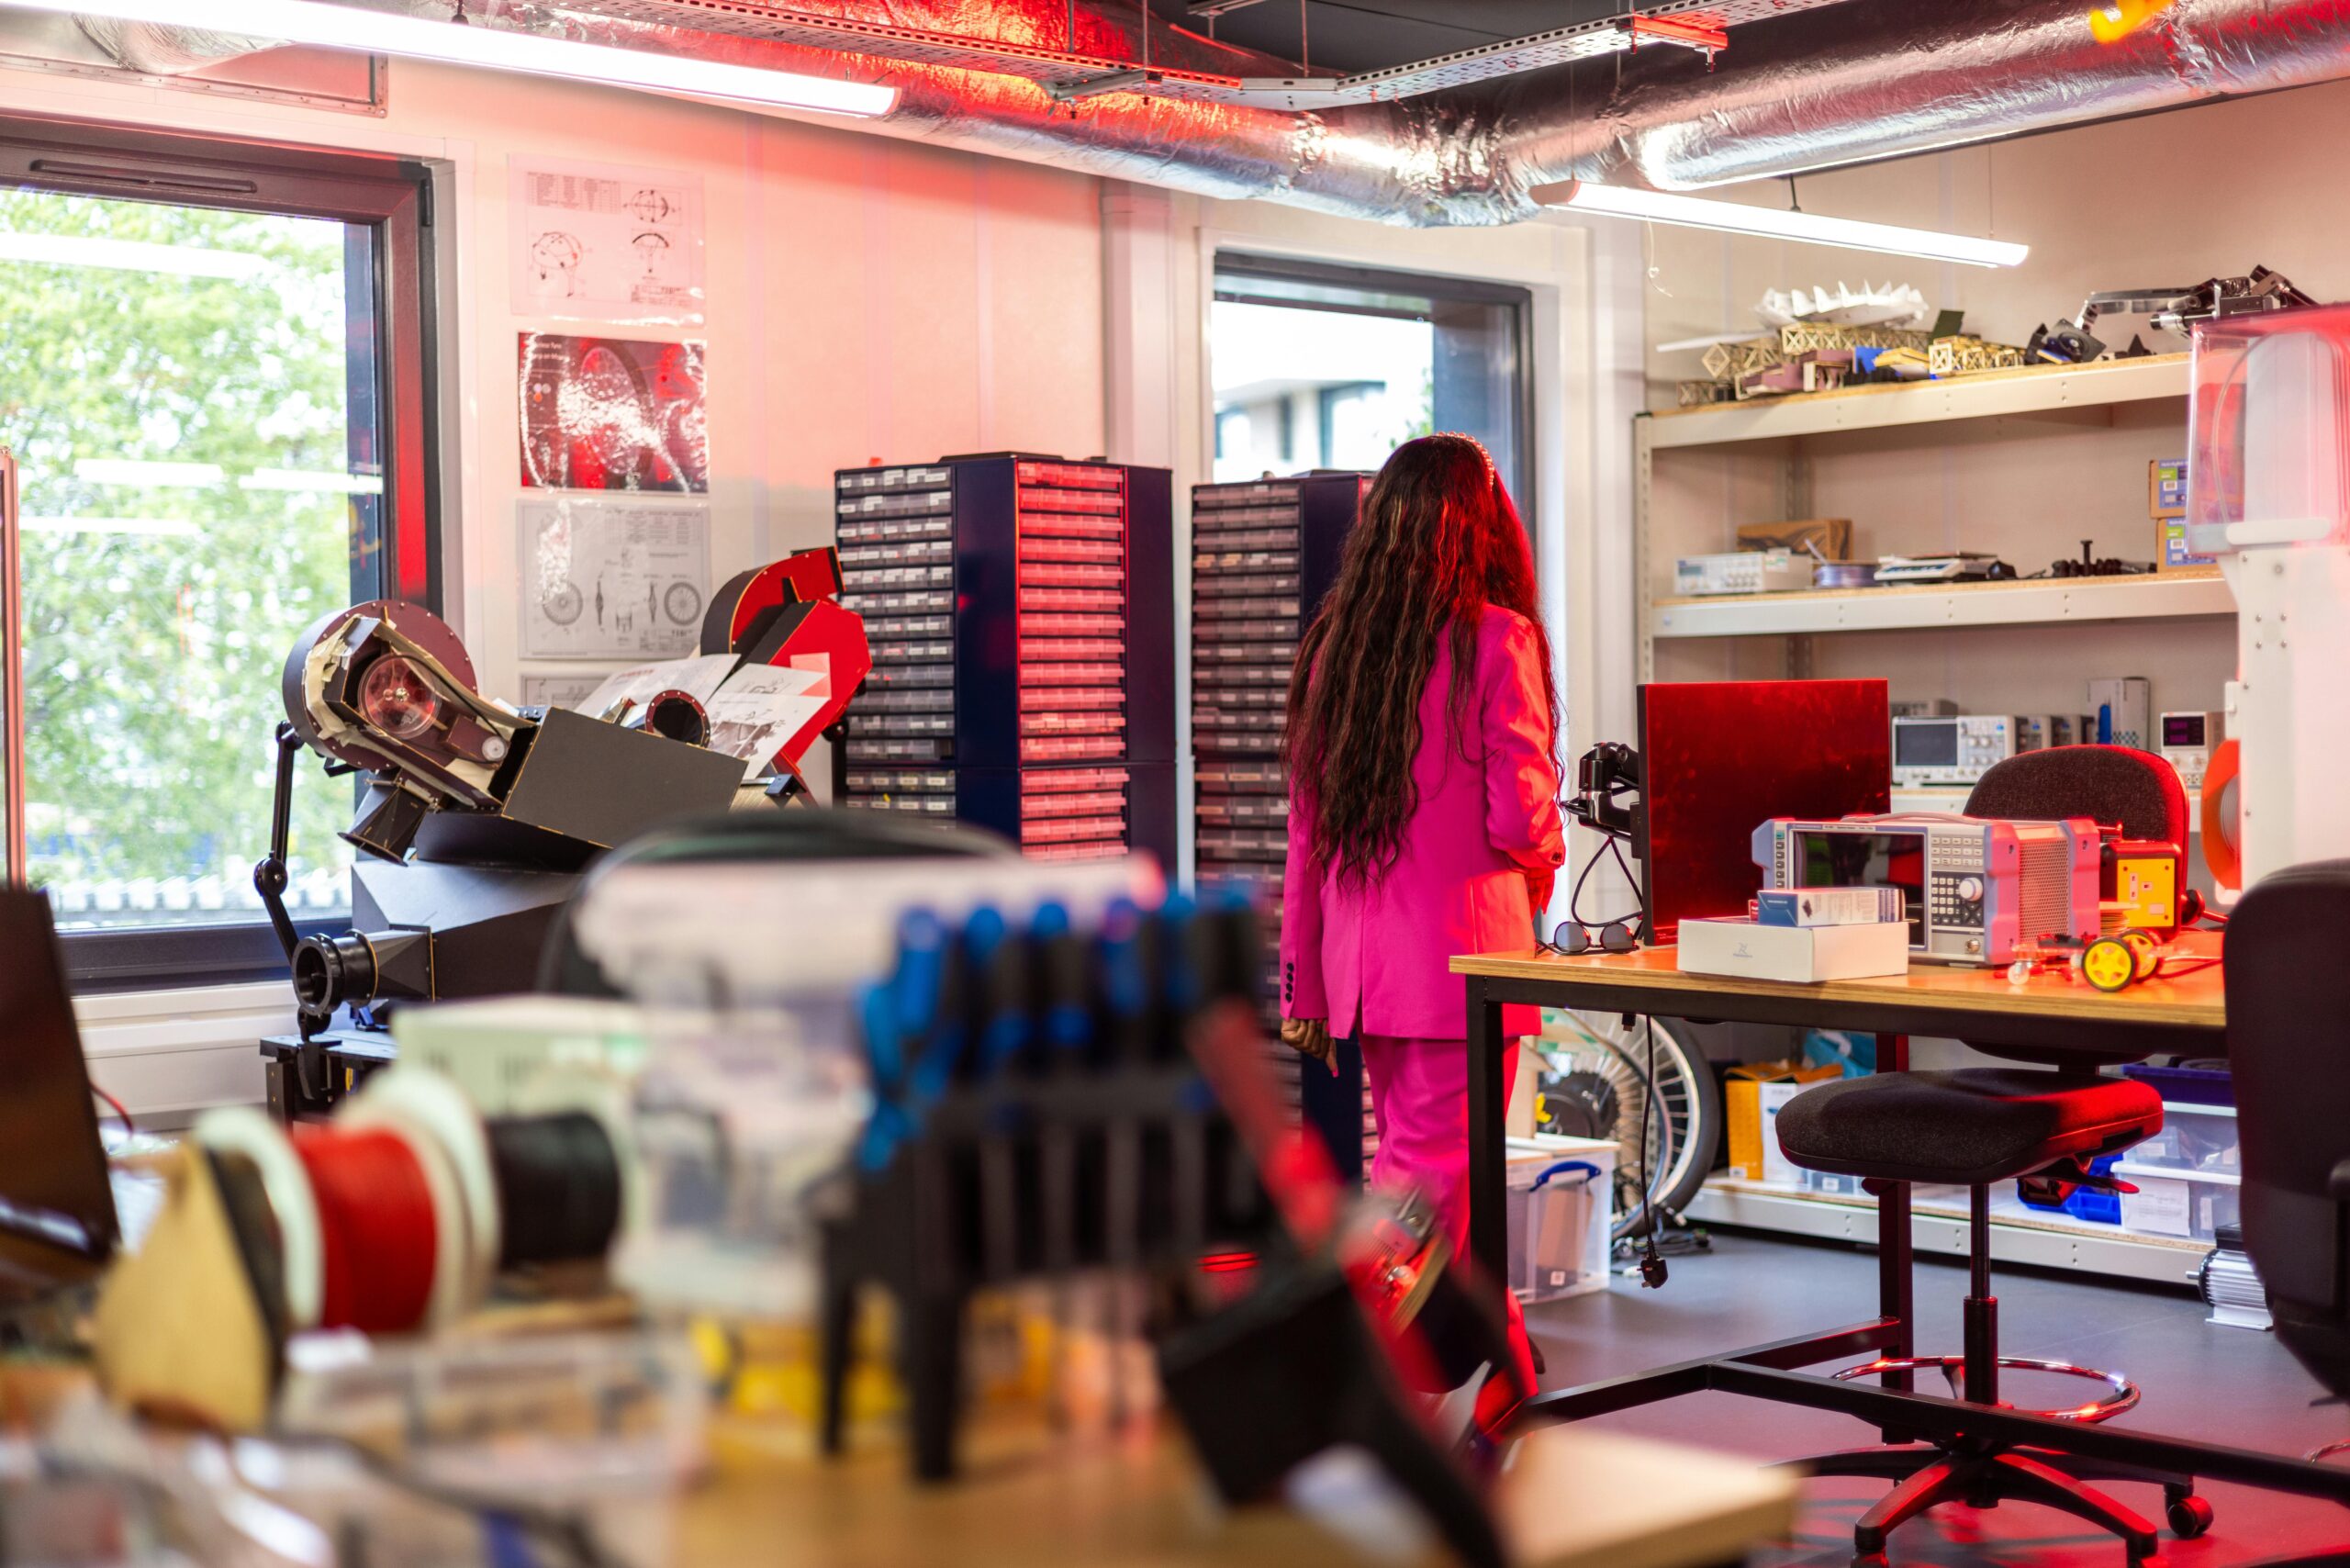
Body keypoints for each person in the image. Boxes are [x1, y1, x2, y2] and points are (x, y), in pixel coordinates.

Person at [1278, 432, 1564, 1390]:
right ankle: (1376, 1383)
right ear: (1481, 523)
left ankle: (1506, 1380)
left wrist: (1303, 983)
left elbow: (1307, 839)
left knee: (1434, 1185)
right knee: (1430, 1201)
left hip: (1368, 975)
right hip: (1465, 967)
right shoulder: (1496, 636)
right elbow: (1518, 813)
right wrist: (1547, 859)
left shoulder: (1338, 649)